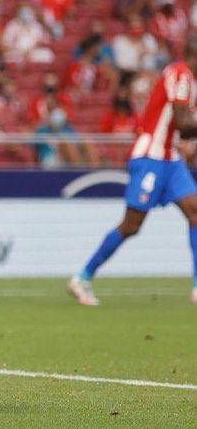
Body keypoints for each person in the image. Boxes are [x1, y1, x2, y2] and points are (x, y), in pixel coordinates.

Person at [69, 46, 197, 306]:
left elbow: (182, 129)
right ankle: (83, 277)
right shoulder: (180, 73)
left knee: (195, 212)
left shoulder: (189, 79)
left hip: (169, 158)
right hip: (150, 156)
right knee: (131, 224)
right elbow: (184, 123)